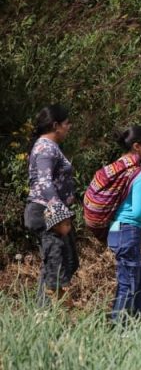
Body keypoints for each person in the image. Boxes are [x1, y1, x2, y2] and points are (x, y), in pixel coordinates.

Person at [102, 125, 141, 321]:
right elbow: (136, 212)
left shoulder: (117, 168)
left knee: (140, 280)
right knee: (128, 283)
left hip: (116, 231)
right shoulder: (137, 174)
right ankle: (118, 329)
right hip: (128, 231)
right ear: (137, 146)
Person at [23, 104, 79, 304]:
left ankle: (43, 308)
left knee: (68, 261)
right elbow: (45, 183)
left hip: (51, 211)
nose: (69, 127)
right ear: (56, 125)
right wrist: (59, 214)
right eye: (66, 123)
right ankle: (45, 313)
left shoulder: (49, 146)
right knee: (57, 264)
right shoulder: (46, 147)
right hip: (46, 211)